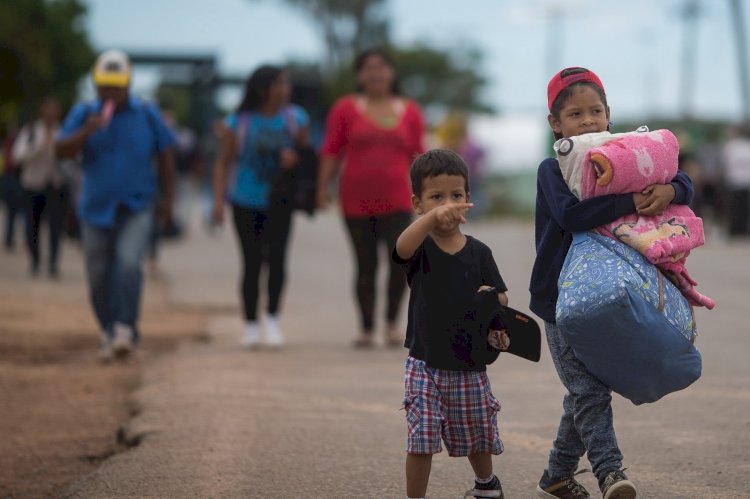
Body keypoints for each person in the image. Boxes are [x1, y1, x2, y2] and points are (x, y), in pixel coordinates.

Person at [530, 67, 694, 499]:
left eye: (595, 111)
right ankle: (609, 472)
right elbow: (571, 215)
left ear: (609, 115)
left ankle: (557, 476)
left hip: (616, 293)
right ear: (555, 123)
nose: (587, 122)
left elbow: (681, 177)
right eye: (575, 114)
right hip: (561, 299)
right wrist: (631, 200)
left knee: (587, 390)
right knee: (587, 389)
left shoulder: (626, 158)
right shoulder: (554, 170)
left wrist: (671, 191)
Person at [393, 149, 510, 499]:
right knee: (421, 436)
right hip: (424, 362)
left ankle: (486, 484)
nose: (448, 205)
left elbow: (502, 297)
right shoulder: (421, 248)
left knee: (476, 431)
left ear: (469, 200)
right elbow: (400, 247)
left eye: (456, 196)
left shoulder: (479, 252)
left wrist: (491, 302)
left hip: (469, 363)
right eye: (437, 197)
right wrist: (431, 220)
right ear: (418, 203)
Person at [56, 49, 176, 362]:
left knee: (127, 262)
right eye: (104, 85)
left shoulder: (146, 114)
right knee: (97, 272)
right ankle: (107, 329)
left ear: (128, 84)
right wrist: (87, 130)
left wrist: (168, 201)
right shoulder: (83, 113)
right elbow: (60, 150)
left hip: (136, 205)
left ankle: (126, 328)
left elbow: (166, 157)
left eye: (116, 86)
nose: (110, 92)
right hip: (95, 208)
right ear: (95, 84)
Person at [317, 47, 426, 348]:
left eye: (382, 66)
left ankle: (391, 324)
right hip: (355, 201)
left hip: (399, 199)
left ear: (392, 73)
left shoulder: (410, 110)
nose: (376, 73)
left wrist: (429, 195)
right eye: (368, 67)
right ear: (359, 75)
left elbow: (419, 155)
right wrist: (320, 188)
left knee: (399, 263)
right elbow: (331, 150)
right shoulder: (345, 108)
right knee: (364, 265)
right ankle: (366, 328)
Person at [212, 65, 311, 349]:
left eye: (286, 84)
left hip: (281, 202)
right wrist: (218, 201)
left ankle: (273, 319)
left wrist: (297, 160)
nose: (284, 89)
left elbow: (307, 159)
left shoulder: (296, 119)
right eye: (278, 84)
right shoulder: (238, 122)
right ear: (261, 89)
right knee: (252, 262)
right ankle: (250, 324)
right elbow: (222, 162)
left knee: (278, 260)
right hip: (245, 201)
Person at [12, 97, 66, 278]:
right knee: (32, 226)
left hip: (56, 184)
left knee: (56, 227)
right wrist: (39, 147)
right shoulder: (31, 131)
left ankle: (53, 263)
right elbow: (17, 156)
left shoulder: (64, 131)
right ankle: (35, 259)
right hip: (33, 185)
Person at [721, 123, 750, 237]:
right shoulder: (733, 146)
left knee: (740, 208)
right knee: (738, 208)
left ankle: (739, 230)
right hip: (738, 182)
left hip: (740, 182)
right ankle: (738, 230)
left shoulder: (733, 146)